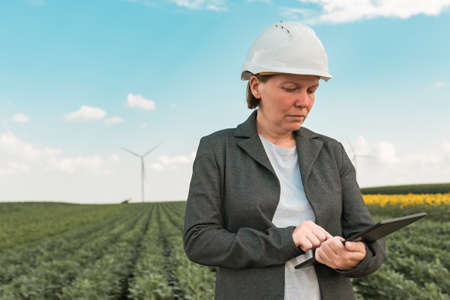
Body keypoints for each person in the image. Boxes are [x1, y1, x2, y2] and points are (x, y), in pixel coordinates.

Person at [183, 21, 385, 300]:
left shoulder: (331, 151)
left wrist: (358, 255)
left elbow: (368, 239)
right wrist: (287, 239)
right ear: (256, 86)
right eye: (291, 88)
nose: (304, 101)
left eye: (311, 90)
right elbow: (200, 241)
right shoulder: (218, 149)